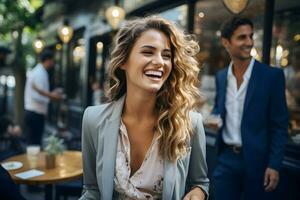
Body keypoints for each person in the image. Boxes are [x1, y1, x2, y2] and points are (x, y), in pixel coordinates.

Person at [79, 16, 209, 200]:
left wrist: (198, 193)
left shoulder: (190, 123)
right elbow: (92, 190)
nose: (159, 62)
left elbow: (200, 182)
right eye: (148, 52)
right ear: (124, 61)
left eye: (166, 55)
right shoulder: (92, 119)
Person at [211, 17, 288, 200]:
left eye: (251, 36)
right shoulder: (221, 77)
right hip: (226, 159)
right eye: (242, 37)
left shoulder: (272, 77)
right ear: (226, 42)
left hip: (259, 162)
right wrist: (214, 117)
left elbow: (279, 125)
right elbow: (218, 108)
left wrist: (274, 164)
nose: (249, 42)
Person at [24, 49, 64, 145]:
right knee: (34, 143)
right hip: (35, 113)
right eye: (53, 61)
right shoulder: (39, 73)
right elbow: (37, 95)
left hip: (35, 112)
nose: (53, 63)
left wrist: (52, 94)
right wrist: (53, 96)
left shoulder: (40, 72)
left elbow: (41, 93)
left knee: (34, 141)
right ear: (48, 60)